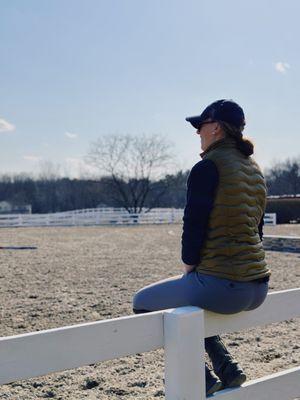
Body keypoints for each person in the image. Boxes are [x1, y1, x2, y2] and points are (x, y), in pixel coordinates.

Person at [132, 99, 271, 396]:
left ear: (217, 128)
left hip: (225, 287)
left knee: (142, 301)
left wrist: (189, 268)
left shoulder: (208, 167)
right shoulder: (255, 170)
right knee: (187, 298)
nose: (198, 133)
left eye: (201, 126)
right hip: (258, 287)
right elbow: (257, 231)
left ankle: (206, 377)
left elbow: (194, 225)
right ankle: (227, 367)